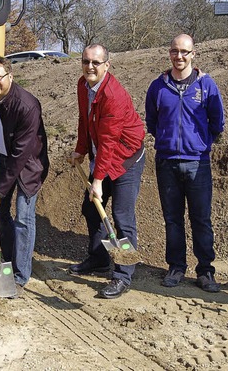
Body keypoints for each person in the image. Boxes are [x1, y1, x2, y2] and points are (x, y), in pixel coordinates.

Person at [145, 34, 224, 292]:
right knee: (172, 219)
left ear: (193, 54)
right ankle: (176, 266)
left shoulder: (207, 86)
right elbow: (152, 122)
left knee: (201, 219)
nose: (179, 56)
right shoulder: (158, 87)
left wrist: (198, 142)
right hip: (167, 162)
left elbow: (217, 123)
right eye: (174, 51)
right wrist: (169, 141)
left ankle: (205, 271)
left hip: (197, 162)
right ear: (169, 53)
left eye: (184, 52)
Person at [68, 44, 145, 299]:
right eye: (86, 61)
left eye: (96, 63)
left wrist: (98, 180)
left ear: (106, 65)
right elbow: (84, 120)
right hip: (104, 153)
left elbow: (110, 141)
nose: (90, 66)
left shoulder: (114, 95)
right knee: (91, 208)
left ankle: (123, 274)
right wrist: (81, 149)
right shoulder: (83, 85)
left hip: (125, 158)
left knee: (121, 216)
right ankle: (99, 258)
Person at [0, 55, 49, 298]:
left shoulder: (26, 105)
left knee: (24, 218)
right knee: (0, 213)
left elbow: (20, 155)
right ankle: (5, 262)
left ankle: (20, 276)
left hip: (27, 164)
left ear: (10, 77)